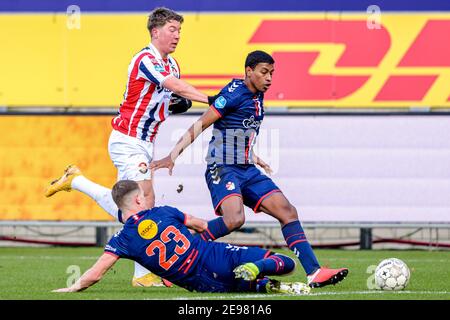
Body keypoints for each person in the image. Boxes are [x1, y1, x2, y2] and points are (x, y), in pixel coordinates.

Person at [45, 7, 214, 287]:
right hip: (127, 140)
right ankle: (143, 275)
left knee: (139, 207)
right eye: (172, 30)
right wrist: (212, 99)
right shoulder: (145, 59)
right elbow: (175, 87)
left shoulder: (173, 64)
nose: (177, 36)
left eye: (180, 31)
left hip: (145, 142)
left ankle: (77, 181)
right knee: (142, 203)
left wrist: (176, 104)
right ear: (155, 31)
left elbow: (167, 99)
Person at [150, 50, 349, 288]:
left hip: (247, 168)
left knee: (288, 211)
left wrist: (253, 156)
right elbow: (201, 124)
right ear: (249, 71)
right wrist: (172, 156)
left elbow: (235, 130)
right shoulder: (233, 94)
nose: (269, 78)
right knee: (234, 219)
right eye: (264, 72)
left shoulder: (257, 96)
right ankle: (181, 258)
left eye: (272, 73)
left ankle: (314, 272)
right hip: (223, 167)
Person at [52, 180, 311, 295]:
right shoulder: (165, 211)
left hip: (200, 284)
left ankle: (259, 285)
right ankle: (258, 269)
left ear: (121, 207)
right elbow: (202, 226)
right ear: (140, 199)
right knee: (286, 263)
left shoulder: (121, 240)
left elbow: (96, 274)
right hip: (214, 257)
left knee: (236, 287)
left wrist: (74, 286)